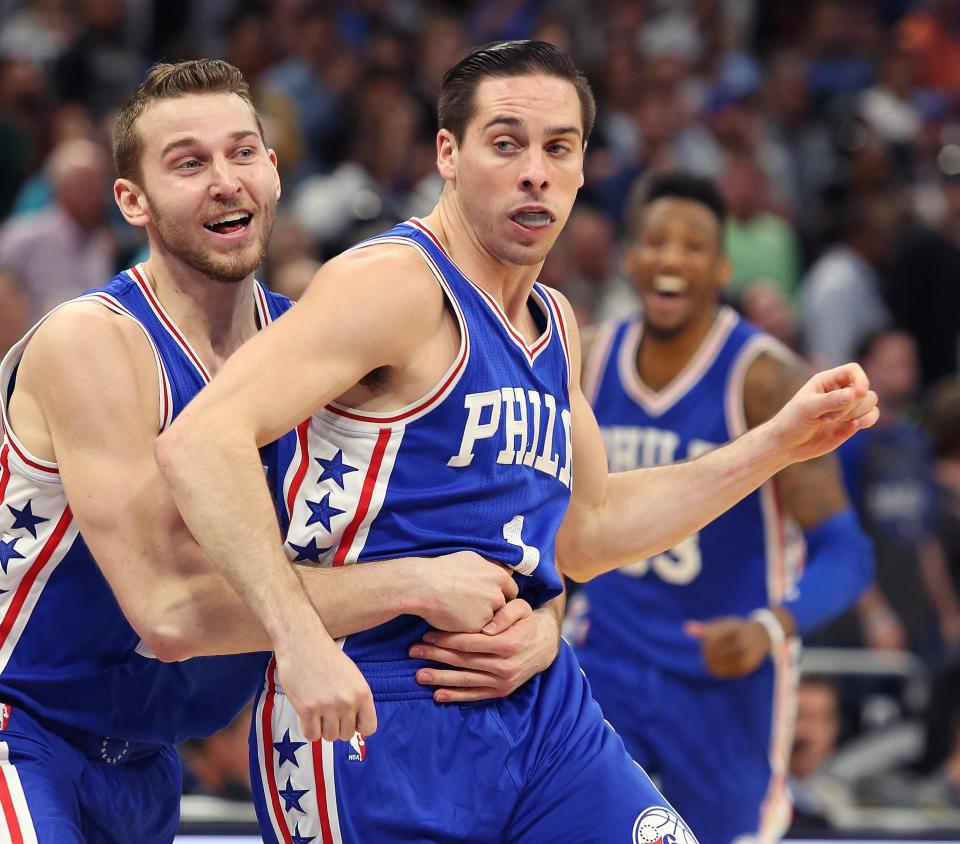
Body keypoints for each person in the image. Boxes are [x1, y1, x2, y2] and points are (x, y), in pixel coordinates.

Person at [157, 41, 878, 843]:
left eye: (558, 148)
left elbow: (591, 531)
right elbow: (200, 441)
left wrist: (777, 445)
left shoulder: (558, 325)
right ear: (449, 156)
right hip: (374, 706)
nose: (535, 170)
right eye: (506, 143)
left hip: (542, 705)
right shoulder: (394, 285)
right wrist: (297, 642)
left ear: (581, 170)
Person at [0, 59, 561, 843]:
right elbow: (167, 612)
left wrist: (540, 624)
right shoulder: (93, 342)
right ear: (133, 200)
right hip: (21, 734)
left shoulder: (317, 341)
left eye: (242, 152)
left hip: (148, 761)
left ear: (273, 170)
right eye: (189, 163)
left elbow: (489, 529)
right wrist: (412, 585)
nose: (226, 180)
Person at [566, 172, 873, 843]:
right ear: (631, 258)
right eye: (657, 241)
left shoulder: (765, 381)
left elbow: (847, 550)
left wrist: (771, 626)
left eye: (693, 246)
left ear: (722, 267)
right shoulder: (585, 360)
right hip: (607, 662)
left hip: (723, 670)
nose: (672, 258)